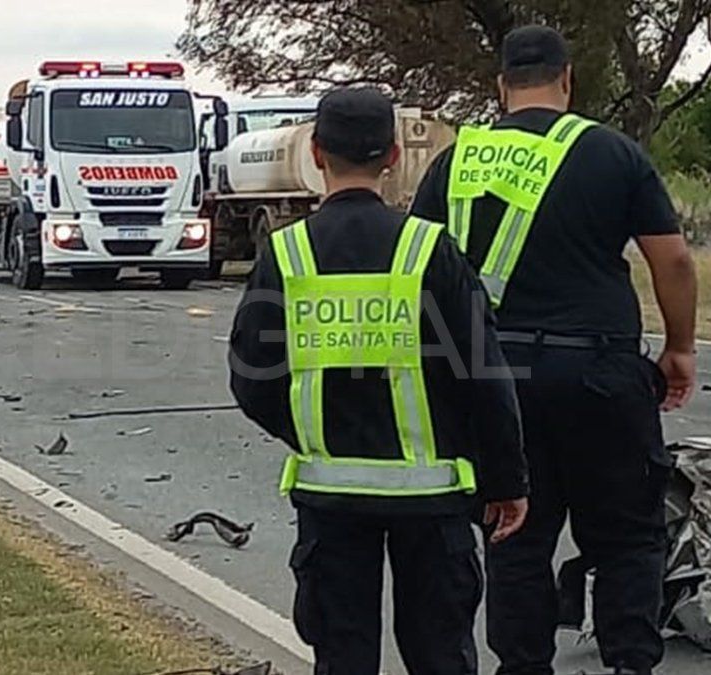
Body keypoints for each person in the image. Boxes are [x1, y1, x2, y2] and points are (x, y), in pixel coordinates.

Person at [410, 25, 698, 675]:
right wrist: (679, 347)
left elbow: (420, 265)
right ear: (567, 79)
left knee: (515, 536)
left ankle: (523, 666)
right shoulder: (610, 153)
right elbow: (673, 259)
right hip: (598, 371)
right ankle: (629, 662)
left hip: (495, 377)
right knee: (628, 534)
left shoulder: (456, 161)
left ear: (500, 86)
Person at [230, 87, 529, 674]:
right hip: (433, 498)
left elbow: (252, 380)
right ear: (393, 156)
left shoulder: (287, 253)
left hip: (332, 499)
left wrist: (315, 433)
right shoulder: (429, 248)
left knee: (342, 656)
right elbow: (484, 375)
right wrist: (506, 479)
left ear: (316, 154)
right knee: (440, 654)